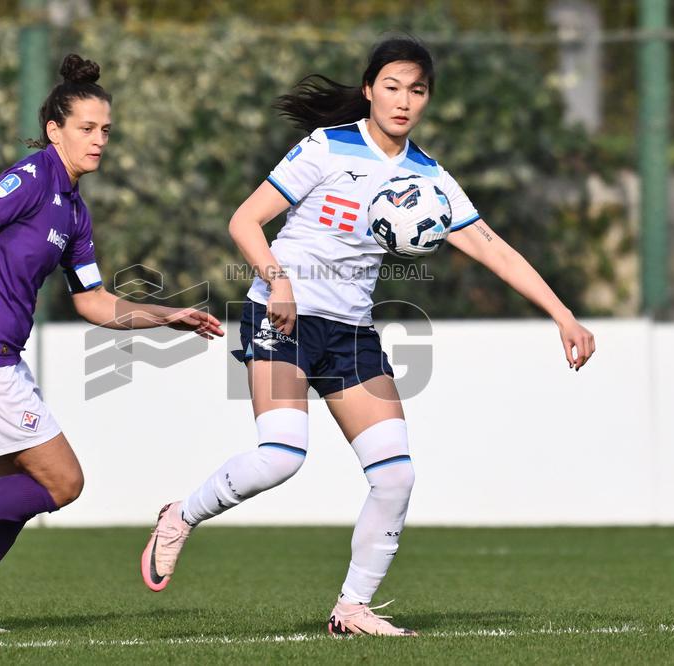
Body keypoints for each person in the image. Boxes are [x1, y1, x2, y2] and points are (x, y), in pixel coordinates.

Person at [141, 36, 595, 637]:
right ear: (369, 90)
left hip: (351, 332)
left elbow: (493, 250)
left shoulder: (427, 176)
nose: (404, 101)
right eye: (392, 87)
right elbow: (244, 220)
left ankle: (352, 607)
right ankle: (180, 516)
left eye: (417, 90)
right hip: (284, 317)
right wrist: (277, 283)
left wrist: (563, 314)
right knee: (280, 456)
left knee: (396, 476)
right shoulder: (327, 146)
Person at [0, 54, 223, 635]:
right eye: (87, 129)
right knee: (63, 483)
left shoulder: (75, 211)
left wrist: (169, 316)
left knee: (20, 492)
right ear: (55, 130)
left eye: (106, 130)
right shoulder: (35, 176)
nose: (99, 140)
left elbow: (93, 303)